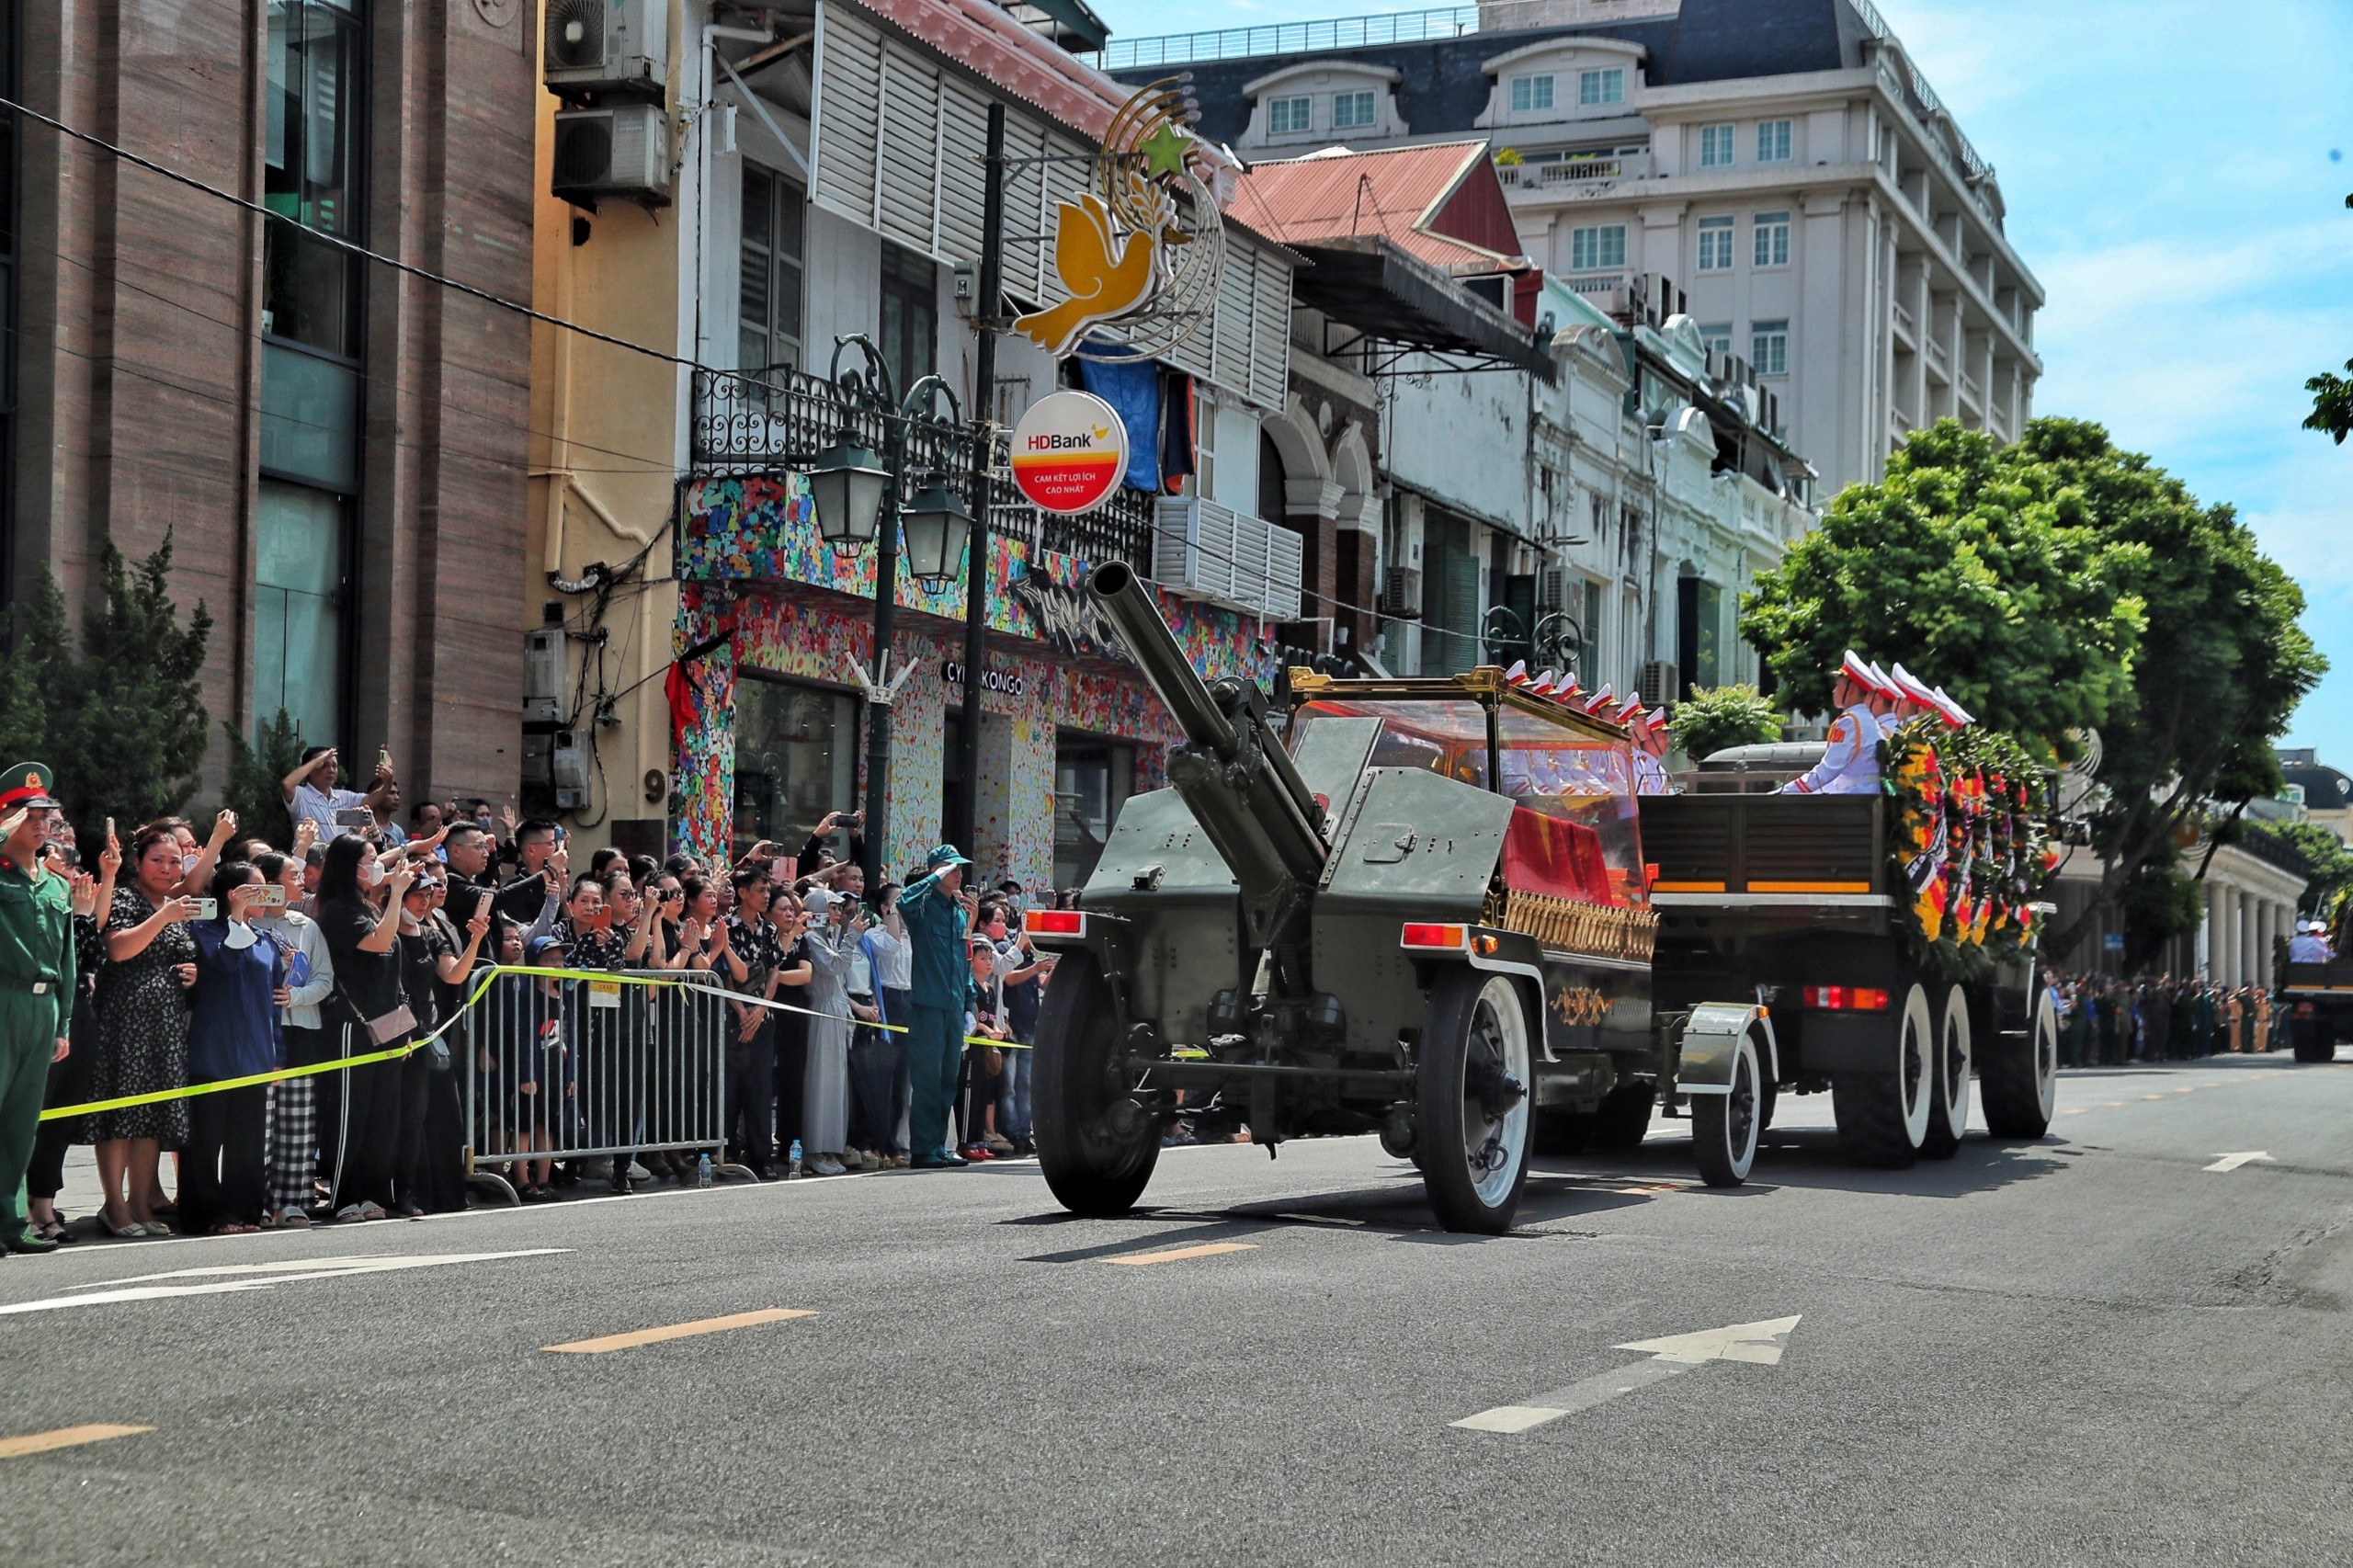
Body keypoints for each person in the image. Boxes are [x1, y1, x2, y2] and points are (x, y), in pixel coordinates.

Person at [86, 824, 204, 1238]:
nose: (167, 868)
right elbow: (118, 948)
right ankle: (114, 1205)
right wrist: (165, 916)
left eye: (175, 862)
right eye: (158, 860)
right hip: (125, 1018)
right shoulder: (122, 897)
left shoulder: (174, 904)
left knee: (151, 1115)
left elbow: (177, 953)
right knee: (121, 1113)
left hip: (166, 1023)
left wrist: (190, 973)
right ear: (138, 863)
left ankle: (140, 1201)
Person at [182, 861, 287, 1235]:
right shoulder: (205, 933)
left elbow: (274, 1006)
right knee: (206, 1140)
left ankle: (245, 1210)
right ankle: (207, 1214)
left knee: (248, 1140)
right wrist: (237, 918)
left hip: (257, 1055)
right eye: (255, 889)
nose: (264, 895)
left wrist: (277, 1057)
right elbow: (224, 962)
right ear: (233, 894)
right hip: (214, 1051)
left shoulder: (267, 943)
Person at [314, 834, 415, 1221]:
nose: (376, 864)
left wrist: (404, 1029)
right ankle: (344, 1196)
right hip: (351, 1026)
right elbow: (379, 943)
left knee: (382, 1114)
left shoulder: (369, 907)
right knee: (351, 1111)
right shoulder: (339, 910)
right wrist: (395, 897)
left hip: (388, 1025)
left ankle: (375, 1191)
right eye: (369, 858)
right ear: (348, 866)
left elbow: (393, 967)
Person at [0, 763, 77, 1257]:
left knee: (22, 1123)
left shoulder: (54, 884)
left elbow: (67, 958)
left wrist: (63, 1021)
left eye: (46, 812)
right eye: (29, 812)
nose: (41, 821)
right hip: (3, 998)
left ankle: (10, 1223)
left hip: (42, 1005)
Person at [27, 831, 115, 1244]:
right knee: (29, 1114)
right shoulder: (29, 898)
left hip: (77, 1013)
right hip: (38, 1011)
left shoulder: (72, 906)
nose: (76, 875)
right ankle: (23, 1208)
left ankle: (44, 1203)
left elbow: (93, 958)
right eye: (66, 866)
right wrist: (78, 915)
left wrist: (84, 912)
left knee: (60, 1115)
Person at [251, 850, 333, 1226]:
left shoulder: (306, 926)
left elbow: (323, 979)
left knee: (298, 1121)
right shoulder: (248, 924)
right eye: (292, 875)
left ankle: (294, 1198)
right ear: (267, 883)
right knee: (261, 1119)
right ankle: (257, 1200)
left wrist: (295, 996)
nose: (300, 882)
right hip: (260, 1031)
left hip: (301, 1028)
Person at [899, 845, 977, 1168]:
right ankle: (923, 1149)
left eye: (959, 868)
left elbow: (964, 960)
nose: (958, 873)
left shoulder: (958, 911)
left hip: (954, 1006)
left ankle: (938, 1145)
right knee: (928, 1079)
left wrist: (970, 1003)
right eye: (952, 868)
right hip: (928, 1005)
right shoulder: (924, 905)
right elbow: (902, 902)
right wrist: (934, 877)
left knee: (948, 1079)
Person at [798, 888, 860, 1175]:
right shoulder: (811, 938)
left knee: (836, 1084)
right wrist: (853, 936)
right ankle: (814, 1148)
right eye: (833, 908)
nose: (839, 914)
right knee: (821, 1082)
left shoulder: (828, 938)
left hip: (836, 1011)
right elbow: (835, 966)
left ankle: (831, 1147)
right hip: (821, 1012)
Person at [1783, 651, 1893, 796]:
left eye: (1838, 685)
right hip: (1865, 795)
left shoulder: (1849, 722)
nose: (1834, 691)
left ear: (1851, 690)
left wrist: (1786, 791)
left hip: (1856, 799)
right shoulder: (1866, 719)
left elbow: (1828, 770)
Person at [859, 882, 913, 1167]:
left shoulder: (910, 936)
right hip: (886, 1000)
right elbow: (890, 948)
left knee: (902, 1080)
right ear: (884, 907)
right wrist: (892, 914)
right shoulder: (874, 935)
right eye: (898, 902)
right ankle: (877, 1142)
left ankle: (893, 1141)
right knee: (883, 1077)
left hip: (908, 1001)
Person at [281, 745, 397, 843]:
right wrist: (317, 761)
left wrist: (388, 783)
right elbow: (287, 784)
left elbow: (373, 799)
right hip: (310, 864)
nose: (331, 770)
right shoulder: (302, 795)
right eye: (324, 765)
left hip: (338, 864)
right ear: (310, 769)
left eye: (334, 766)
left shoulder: (344, 797)